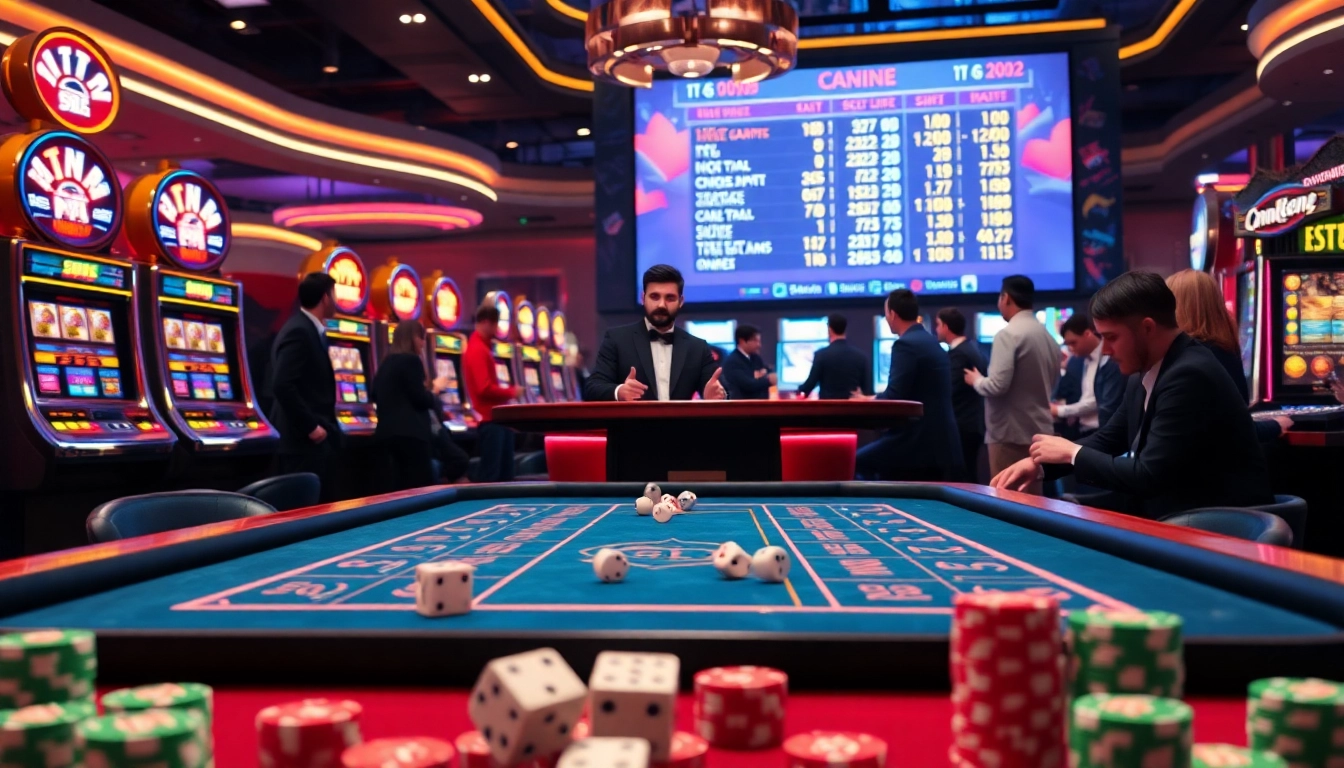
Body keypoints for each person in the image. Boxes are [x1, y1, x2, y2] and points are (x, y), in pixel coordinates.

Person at [992, 271, 1275, 519]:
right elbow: (1110, 438)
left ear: (1147, 328)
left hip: (1220, 528)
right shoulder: (1145, 371)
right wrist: (1039, 465)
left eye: (1111, 337)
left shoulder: (1190, 374)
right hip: (1177, 514)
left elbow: (1148, 475)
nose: (1105, 350)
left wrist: (1072, 453)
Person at [1166, 269, 1292, 441]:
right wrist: (1276, 425)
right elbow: (1232, 431)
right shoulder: (1215, 355)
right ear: (1214, 305)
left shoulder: (1171, 354)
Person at [852, 289, 962, 481]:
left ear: (892, 314)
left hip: (916, 441)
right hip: (942, 442)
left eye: (886, 313)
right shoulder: (929, 341)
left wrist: (865, 404)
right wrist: (871, 398)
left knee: (855, 463)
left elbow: (894, 397)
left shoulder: (905, 345)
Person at [964, 275, 1059, 495]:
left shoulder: (1008, 334)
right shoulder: (1048, 337)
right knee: (1035, 502)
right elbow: (1051, 384)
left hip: (1008, 434)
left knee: (1007, 499)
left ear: (1005, 297)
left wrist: (976, 380)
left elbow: (997, 385)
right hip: (1040, 432)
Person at [582, 264, 727, 402]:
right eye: (655, 297)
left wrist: (718, 395)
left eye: (670, 298)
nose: (661, 305)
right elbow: (592, 388)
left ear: (681, 301)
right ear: (643, 298)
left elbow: (723, 390)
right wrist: (619, 391)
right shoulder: (617, 339)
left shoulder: (697, 348)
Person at [269, 272, 343, 502]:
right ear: (325, 298)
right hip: (301, 441)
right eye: (334, 294)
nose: (336, 300)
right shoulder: (299, 330)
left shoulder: (308, 329)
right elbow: (282, 384)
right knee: (304, 513)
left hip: (311, 440)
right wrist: (312, 427)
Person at [372, 322, 452, 492]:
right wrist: (435, 390)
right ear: (411, 338)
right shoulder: (411, 360)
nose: (423, 343)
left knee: (397, 493)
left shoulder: (386, 362)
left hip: (386, 435)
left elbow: (373, 393)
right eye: (420, 337)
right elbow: (420, 399)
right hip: (411, 437)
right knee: (418, 493)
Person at [464, 304, 521, 482]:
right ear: (486, 323)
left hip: (497, 418)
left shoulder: (484, 348)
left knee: (504, 476)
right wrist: (512, 392)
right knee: (493, 477)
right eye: (495, 325)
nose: (497, 330)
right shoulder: (477, 349)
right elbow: (484, 388)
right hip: (489, 419)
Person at [1051, 313, 1123, 441]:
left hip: (1103, 431)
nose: (1070, 348)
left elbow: (1099, 402)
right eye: (1068, 344)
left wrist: (1061, 410)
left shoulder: (1110, 359)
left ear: (1088, 334)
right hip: (1081, 429)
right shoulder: (1075, 361)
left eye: (1073, 343)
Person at [935, 308, 986, 481]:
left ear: (946, 327)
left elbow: (950, 389)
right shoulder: (971, 348)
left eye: (938, 325)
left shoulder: (959, 354)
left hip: (963, 426)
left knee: (961, 479)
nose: (936, 330)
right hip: (971, 424)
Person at [799, 314, 868, 400]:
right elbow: (868, 391)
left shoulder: (821, 355)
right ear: (845, 329)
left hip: (827, 410)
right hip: (852, 410)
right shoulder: (861, 357)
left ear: (829, 330)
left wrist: (797, 392)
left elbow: (809, 385)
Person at [720, 324, 774, 400]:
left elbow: (767, 371)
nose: (759, 345)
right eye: (755, 341)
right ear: (742, 341)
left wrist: (761, 376)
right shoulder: (732, 361)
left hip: (761, 405)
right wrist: (767, 380)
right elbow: (748, 385)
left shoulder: (756, 358)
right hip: (742, 408)